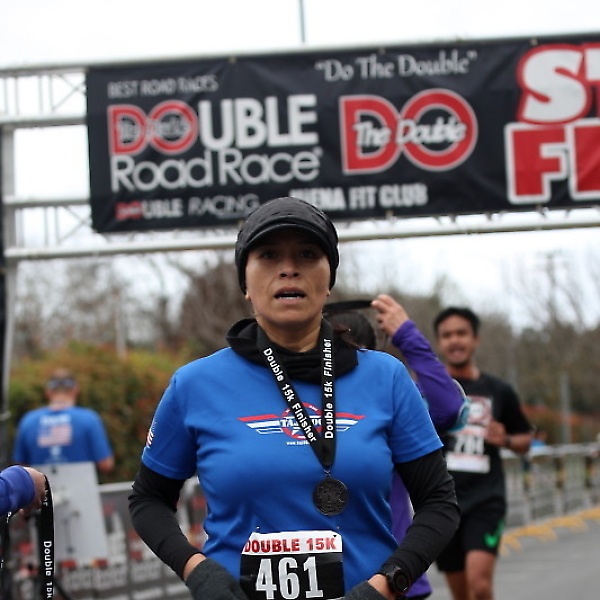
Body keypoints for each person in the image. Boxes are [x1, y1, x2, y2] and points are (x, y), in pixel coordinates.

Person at [129, 197, 460, 600]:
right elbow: (148, 499)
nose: (289, 268)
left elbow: (439, 502)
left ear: (329, 278)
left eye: (307, 254)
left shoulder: (386, 378)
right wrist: (196, 569)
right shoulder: (195, 385)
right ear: (245, 283)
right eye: (269, 255)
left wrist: (389, 583)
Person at [326, 295, 468, 600]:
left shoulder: (386, 396)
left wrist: (407, 334)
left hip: (390, 579)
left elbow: (448, 408)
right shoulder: (278, 399)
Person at [433, 307, 532, 600]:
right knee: (461, 593)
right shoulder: (427, 391)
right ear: (439, 342)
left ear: (475, 339)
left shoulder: (499, 390)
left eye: (461, 333)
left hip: (486, 500)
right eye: (447, 335)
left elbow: (525, 439)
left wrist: (506, 439)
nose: (455, 340)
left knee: (480, 586)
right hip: (442, 502)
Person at [13, 369, 114, 473]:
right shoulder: (89, 419)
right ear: (75, 389)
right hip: (81, 482)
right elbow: (105, 464)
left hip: (40, 483)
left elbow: (20, 468)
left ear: (48, 391)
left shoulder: (28, 421)